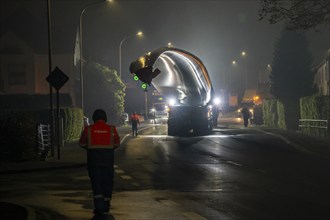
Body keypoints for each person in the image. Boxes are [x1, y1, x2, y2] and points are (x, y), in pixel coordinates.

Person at [79, 109, 120, 216]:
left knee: (96, 184)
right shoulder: (111, 129)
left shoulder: (88, 129)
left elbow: (82, 143)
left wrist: (90, 148)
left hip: (93, 162)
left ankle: (99, 206)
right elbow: (117, 143)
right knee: (107, 184)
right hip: (108, 162)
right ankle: (106, 206)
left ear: (94, 118)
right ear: (105, 117)